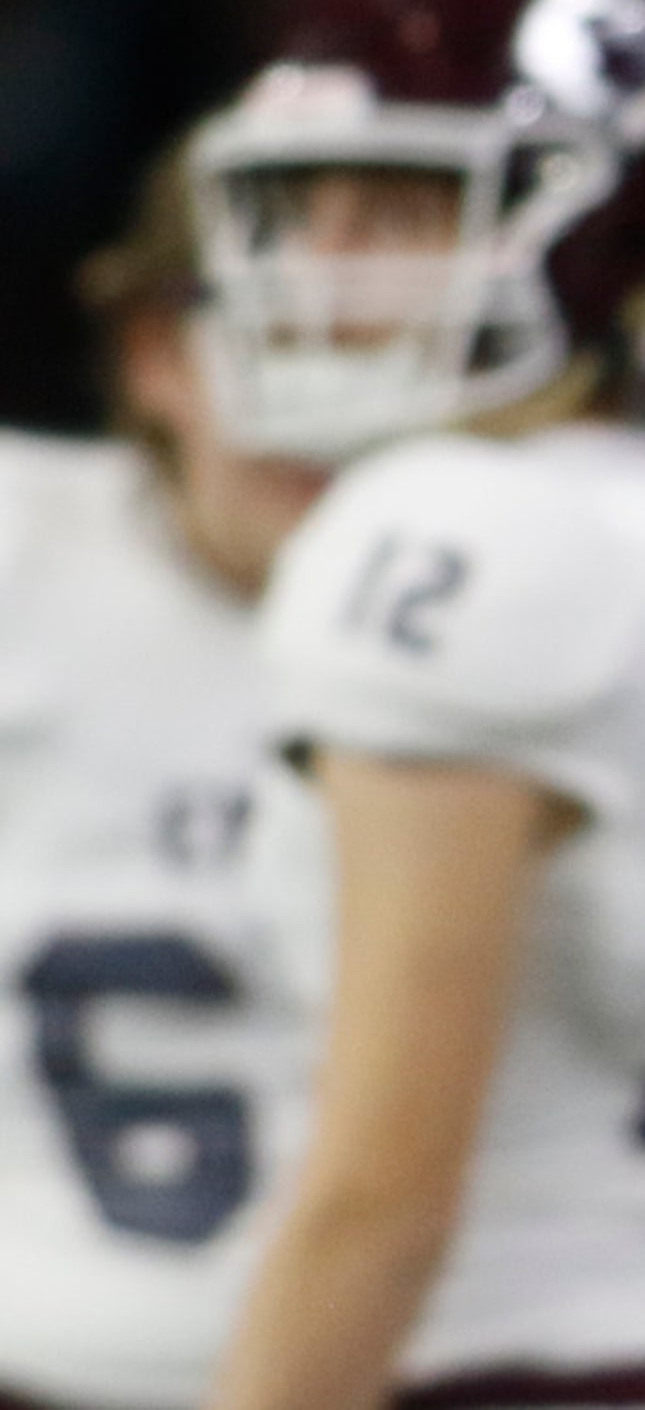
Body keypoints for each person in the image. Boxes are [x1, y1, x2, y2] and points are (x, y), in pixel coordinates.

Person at [193, 0, 645, 1409]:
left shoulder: (439, 532)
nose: (319, 264)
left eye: (393, 211)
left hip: (526, 1359)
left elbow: (383, 1191)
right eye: (302, 207)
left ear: (600, 234)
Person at [0, 151, 330, 1410]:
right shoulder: (25, 557)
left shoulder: (562, 612)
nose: (328, 408)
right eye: (286, 341)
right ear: (157, 349)